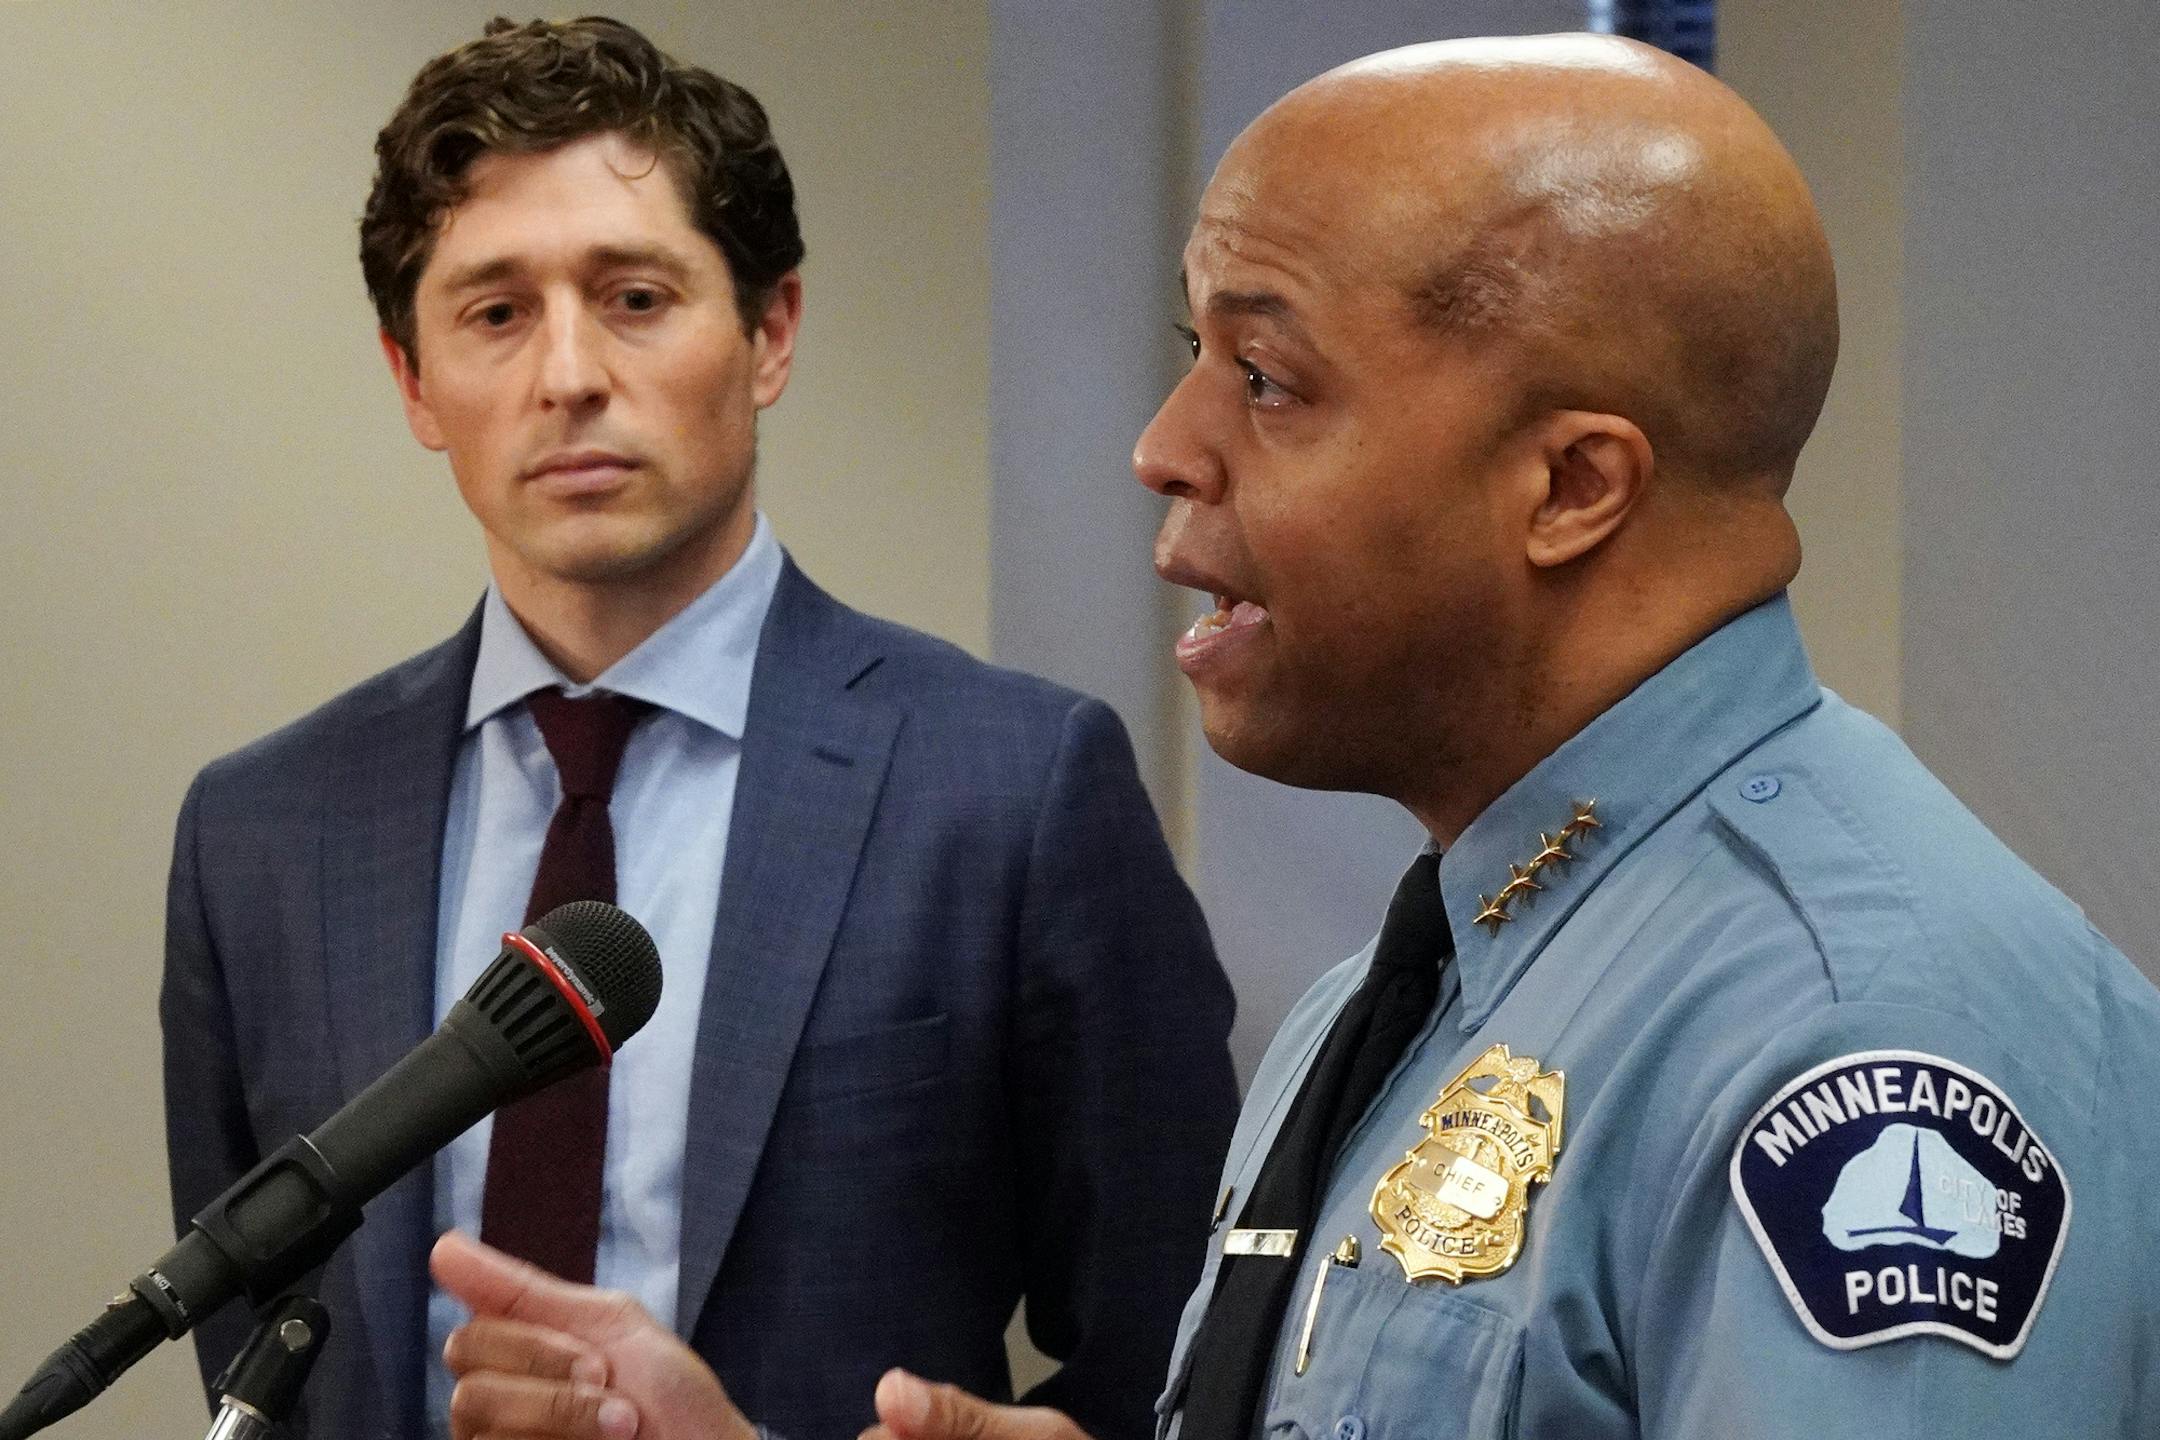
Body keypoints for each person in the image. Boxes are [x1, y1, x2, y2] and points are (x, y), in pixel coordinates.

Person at [425, 30, 2160, 1440]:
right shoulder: (1397, 999)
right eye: (1197, 351)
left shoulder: (1860, 1037)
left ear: (1571, 485)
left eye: (1265, 377)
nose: (1165, 445)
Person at [159, 17, 1239, 1440]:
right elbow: (257, 1366)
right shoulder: (263, 832)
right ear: (414, 380)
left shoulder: (1013, 789)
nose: (567, 375)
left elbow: (1191, 1362)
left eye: (635, 298)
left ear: (769, 332)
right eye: (496, 315)